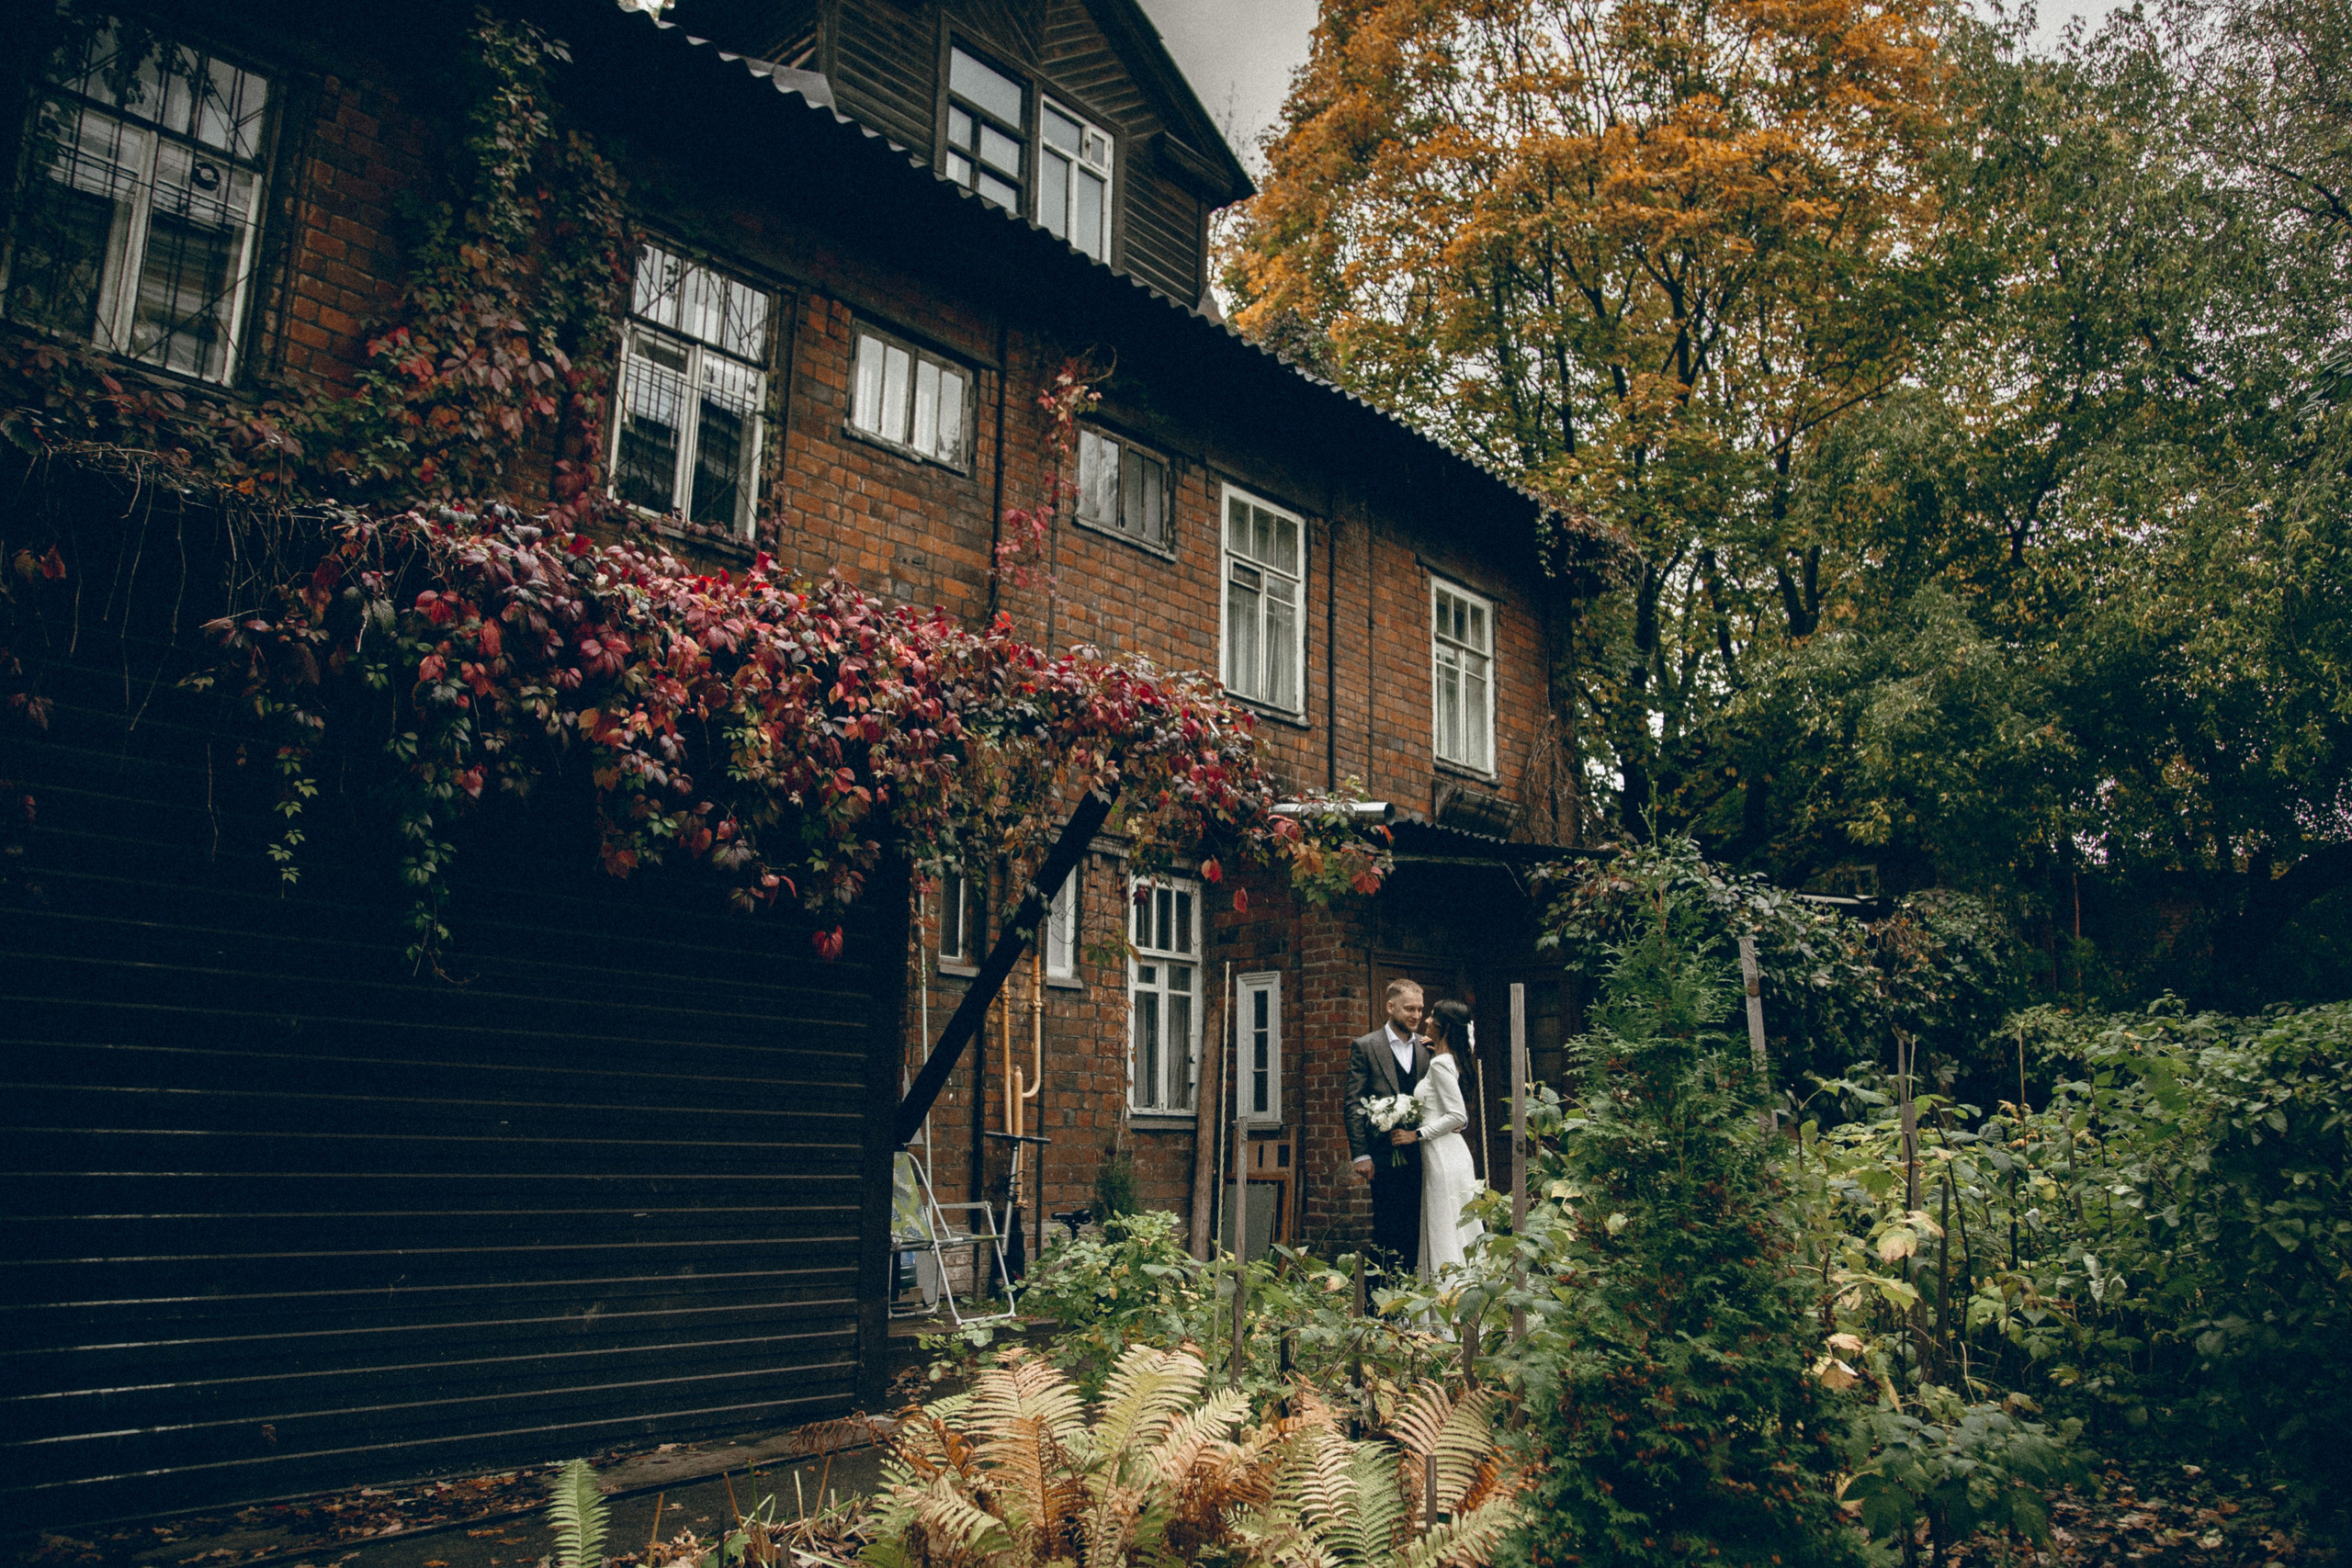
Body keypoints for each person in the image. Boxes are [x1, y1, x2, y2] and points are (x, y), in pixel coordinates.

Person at [1346, 978, 1431, 1280]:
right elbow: (1354, 1103)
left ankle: (1408, 1300)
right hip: (1383, 1155)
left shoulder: (1426, 1048)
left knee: (1416, 1227)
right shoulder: (1366, 1046)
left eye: (1420, 1009)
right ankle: (1376, 1306)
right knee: (1386, 1228)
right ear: (1390, 1006)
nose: (1416, 1015)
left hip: (1422, 1152)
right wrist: (1361, 1155)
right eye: (1409, 1008)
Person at [1416, 999, 1485, 1280]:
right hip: (1446, 1153)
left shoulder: (1442, 1064)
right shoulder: (1445, 1059)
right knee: (1452, 1224)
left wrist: (1416, 1134)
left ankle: (1447, 1303)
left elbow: (1458, 1115)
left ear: (1443, 1026)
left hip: (1442, 1156)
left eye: (1432, 1016)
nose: (1427, 1020)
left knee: (1443, 1223)